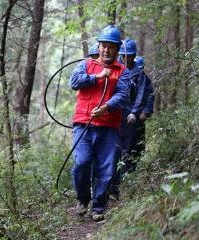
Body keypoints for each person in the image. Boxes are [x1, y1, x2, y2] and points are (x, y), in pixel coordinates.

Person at [69, 25, 130, 222]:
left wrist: (106, 107)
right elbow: (74, 82)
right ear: (99, 45)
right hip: (83, 124)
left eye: (111, 47)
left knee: (106, 168)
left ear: (117, 49)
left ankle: (98, 207)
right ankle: (82, 199)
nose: (106, 50)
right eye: (104, 45)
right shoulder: (86, 65)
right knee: (82, 162)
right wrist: (97, 77)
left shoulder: (122, 71)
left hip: (109, 127)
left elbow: (123, 95)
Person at [110, 39, 155, 200]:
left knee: (128, 150)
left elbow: (144, 94)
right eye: (122, 56)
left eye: (127, 56)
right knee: (113, 151)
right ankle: (111, 187)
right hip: (116, 117)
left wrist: (136, 112)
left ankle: (125, 184)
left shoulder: (139, 74)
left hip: (130, 119)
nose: (124, 59)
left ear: (133, 56)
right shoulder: (118, 70)